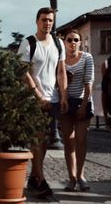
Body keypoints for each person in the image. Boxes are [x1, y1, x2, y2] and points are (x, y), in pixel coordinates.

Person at [17, 7, 68, 198]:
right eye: (44, 20)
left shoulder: (58, 43)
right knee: (37, 138)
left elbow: (61, 71)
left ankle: (34, 178)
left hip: (53, 98)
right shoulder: (29, 43)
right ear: (37, 21)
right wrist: (38, 96)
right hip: (33, 99)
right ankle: (41, 180)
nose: (47, 23)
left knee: (44, 140)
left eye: (50, 20)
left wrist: (63, 96)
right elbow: (24, 72)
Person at [61, 29, 94, 192]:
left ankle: (81, 176)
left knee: (81, 139)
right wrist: (63, 99)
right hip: (66, 102)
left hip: (83, 101)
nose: (72, 43)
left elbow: (89, 82)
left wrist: (83, 105)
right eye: (69, 40)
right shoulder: (60, 59)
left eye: (75, 40)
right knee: (68, 141)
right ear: (64, 42)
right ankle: (71, 178)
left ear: (80, 42)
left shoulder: (87, 57)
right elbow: (58, 80)